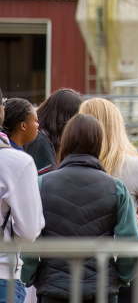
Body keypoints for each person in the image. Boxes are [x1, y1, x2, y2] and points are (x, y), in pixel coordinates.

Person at [21, 114, 138, 303]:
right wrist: (119, 279)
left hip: (53, 290)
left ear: (66, 141)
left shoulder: (41, 184)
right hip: (102, 291)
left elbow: (30, 238)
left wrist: (29, 276)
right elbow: (132, 246)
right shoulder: (116, 188)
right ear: (99, 143)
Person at [78, 98, 138, 303]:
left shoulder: (68, 166)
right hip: (122, 265)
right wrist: (134, 214)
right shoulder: (136, 167)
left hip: (77, 264)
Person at [0, 88, 45, 303]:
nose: (39, 125)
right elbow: (29, 230)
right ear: (23, 125)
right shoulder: (17, 161)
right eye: (35, 120)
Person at [23, 89, 83, 175]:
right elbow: (48, 183)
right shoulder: (40, 142)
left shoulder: (44, 138)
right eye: (76, 119)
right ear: (64, 118)